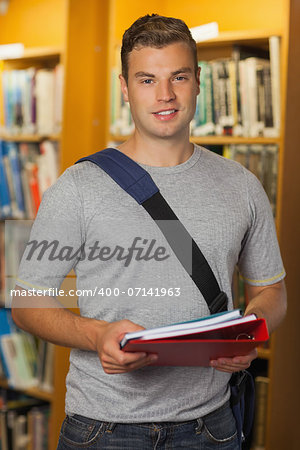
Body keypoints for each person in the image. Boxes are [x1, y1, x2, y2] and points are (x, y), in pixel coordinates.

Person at [12, 14, 287, 450]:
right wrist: (95, 335)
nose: (165, 95)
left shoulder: (243, 186)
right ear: (124, 88)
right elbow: (25, 301)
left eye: (178, 76)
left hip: (211, 427)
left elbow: (273, 290)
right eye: (146, 80)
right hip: (102, 428)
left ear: (197, 80)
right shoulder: (78, 186)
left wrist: (253, 330)